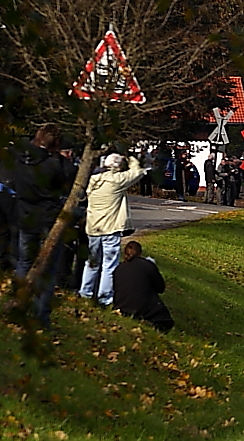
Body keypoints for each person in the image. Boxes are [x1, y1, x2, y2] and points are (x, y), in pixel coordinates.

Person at [12, 125, 76, 325]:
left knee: (24, 262)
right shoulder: (53, 165)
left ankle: (20, 305)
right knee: (48, 269)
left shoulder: (21, 159)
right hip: (48, 219)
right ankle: (40, 316)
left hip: (25, 215)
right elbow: (68, 178)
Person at [80, 153, 146, 307]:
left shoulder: (93, 181)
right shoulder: (116, 181)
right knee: (109, 265)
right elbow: (138, 172)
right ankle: (104, 297)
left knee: (91, 262)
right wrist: (131, 156)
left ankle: (85, 292)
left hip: (93, 227)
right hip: (110, 228)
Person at [113, 240, 173, 331]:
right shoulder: (147, 266)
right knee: (166, 322)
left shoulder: (118, 269)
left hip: (121, 306)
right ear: (140, 253)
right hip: (143, 308)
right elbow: (161, 288)